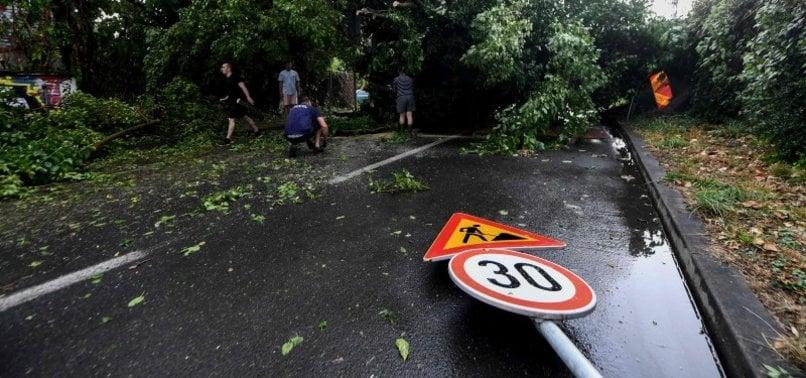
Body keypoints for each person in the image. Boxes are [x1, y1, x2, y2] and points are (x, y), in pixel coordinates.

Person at [219, 63, 260, 144]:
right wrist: (224, 99)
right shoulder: (227, 79)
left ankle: (228, 139)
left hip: (237, 102)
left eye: (223, 67)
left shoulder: (235, 77)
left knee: (231, 119)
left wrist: (248, 97)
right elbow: (229, 94)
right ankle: (257, 131)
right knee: (245, 117)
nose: (221, 69)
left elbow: (243, 87)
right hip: (233, 102)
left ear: (229, 68)